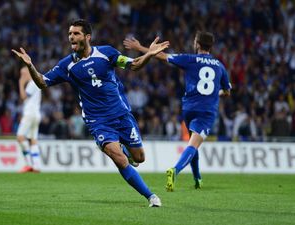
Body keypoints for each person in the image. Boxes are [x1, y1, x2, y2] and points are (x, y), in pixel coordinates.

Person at [12, 19, 169, 206]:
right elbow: (42, 82)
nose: (71, 36)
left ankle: (127, 151)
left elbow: (133, 64)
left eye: (76, 33)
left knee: (139, 158)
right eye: (70, 33)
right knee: (118, 158)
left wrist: (149, 54)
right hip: (98, 121)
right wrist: (31, 66)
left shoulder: (106, 53)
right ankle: (151, 196)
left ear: (87, 37)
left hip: (121, 114)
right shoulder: (66, 65)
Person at [123, 31, 231, 191]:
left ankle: (197, 179)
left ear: (197, 44)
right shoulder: (220, 66)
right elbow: (227, 91)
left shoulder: (190, 59)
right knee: (194, 144)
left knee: (192, 143)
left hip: (188, 108)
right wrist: (217, 92)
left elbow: (161, 56)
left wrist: (139, 47)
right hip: (206, 110)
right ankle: (175, 170)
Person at [17, 66, 42, 173]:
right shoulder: (35, 83)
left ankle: (28, 164)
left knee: (20, 137)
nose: (22, 76)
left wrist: (20, 84)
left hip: (30, 114)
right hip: (36, 114)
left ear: (29, 73)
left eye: (23, 74)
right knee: (33, 140)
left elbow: (23, 97)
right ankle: (36, 166)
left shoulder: (32, 83)